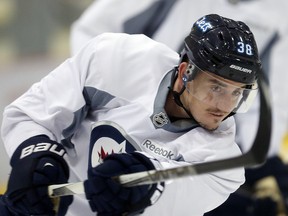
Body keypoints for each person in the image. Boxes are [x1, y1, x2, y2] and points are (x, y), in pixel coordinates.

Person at [0, 14, 262, 216]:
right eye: (216, 87)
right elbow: (32, 114)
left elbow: (169, 194)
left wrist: (146, 183)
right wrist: (34, 153)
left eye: (237, 93)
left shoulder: (223, 166)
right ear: (185, 73)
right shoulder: (116, 58)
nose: (225, 105)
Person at [70, 1, 288, 215]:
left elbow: (262, 94)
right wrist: (89, 97)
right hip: (125, 111)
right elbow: (93, 34)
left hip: (195, 138)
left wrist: (266, 163)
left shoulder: (280, 11)